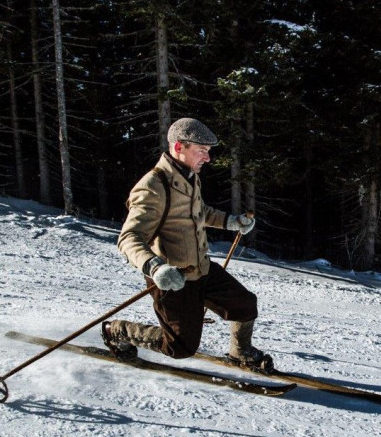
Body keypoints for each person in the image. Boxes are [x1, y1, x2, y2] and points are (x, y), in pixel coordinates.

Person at [101, 117, 273, 372]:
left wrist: (231, 222)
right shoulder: (153, 187)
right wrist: (156, 268)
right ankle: (116, 331)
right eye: (201, 151)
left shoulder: (189, 175)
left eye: (208, 151)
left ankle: (240, 351)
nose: (207, 158)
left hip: (201, 269)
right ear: (179, 147)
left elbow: (197, 211)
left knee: (244, 304)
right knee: (179, 347)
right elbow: (128, 238)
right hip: (173, 278)